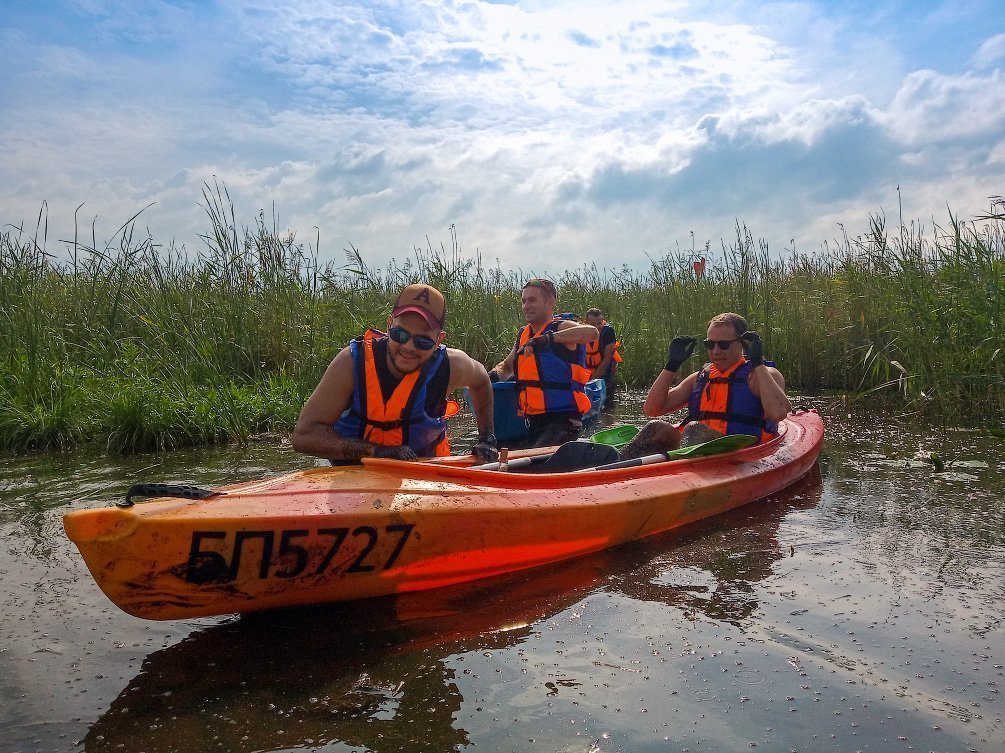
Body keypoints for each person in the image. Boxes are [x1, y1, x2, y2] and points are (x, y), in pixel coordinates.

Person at [292, 283, 499, 464]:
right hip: (355, 479)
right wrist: (376, 451)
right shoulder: (351, 363)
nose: (408, 347)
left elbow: (481, 381)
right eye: (400, 334)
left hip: (425, 477)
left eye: (423, 341)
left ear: (438, 340)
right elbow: (304, 435)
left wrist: (487, 437)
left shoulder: (453, 365)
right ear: (389, 325)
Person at [619, 312, 790, 460]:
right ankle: (614, 469)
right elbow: (652, 409)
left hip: (738, 450)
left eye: (723, 344)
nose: (715, 351)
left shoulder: (761, 375)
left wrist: (757, 362)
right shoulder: (700, 378)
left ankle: (683, 470)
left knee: (694, 429)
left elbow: (778, 413)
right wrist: (671, 365)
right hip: (693, 447)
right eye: (710, 344)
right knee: (656, 427)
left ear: (741, 344)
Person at [489, 278, 599, 446]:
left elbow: (592, 333)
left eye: (532, 300)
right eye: (523, 301)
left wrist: (548, 339)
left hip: (564, 422)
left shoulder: (561, 326)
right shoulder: (524, 335)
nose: (526, 305)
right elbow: (507, 366)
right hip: (533, 422)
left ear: (550, 302)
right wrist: (490, 376)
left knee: (532, 465)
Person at [584, 307, 622, 398]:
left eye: (599, 323)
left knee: (607, 405)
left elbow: (606, 359)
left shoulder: (608, 332)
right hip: (585, 373)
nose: (597, 327)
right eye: (593, 324)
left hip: (604, 374)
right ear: (586, 323)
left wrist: (592, 380)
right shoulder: (581, 331)